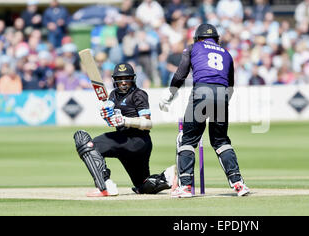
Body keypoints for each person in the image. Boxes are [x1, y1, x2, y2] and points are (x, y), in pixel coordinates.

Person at [159, 23, 250, 198]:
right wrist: (221, 102)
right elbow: (230, 84)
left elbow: (180, 73)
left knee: (188, 140)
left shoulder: (193, 48)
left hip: (202, 91)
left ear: (198, 38)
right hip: (222, 94)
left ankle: (185, 187)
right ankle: (238, 183)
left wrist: (170, 93)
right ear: (216, 39)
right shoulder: (227, 53)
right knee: (221, 141)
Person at [73, 63, 176, 197]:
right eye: (120, 79)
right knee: (143, 186)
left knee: (85, 143)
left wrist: (125, 120)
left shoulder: (138, 94)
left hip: (136, 140)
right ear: (114, 80)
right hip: (126, 142)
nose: (123, 83)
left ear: (132, 79)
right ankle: (169, 175)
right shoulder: (113, 95)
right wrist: (107, 116)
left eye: (126, 78)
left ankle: (105, 185)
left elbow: (148, 122)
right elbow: (112, 119)